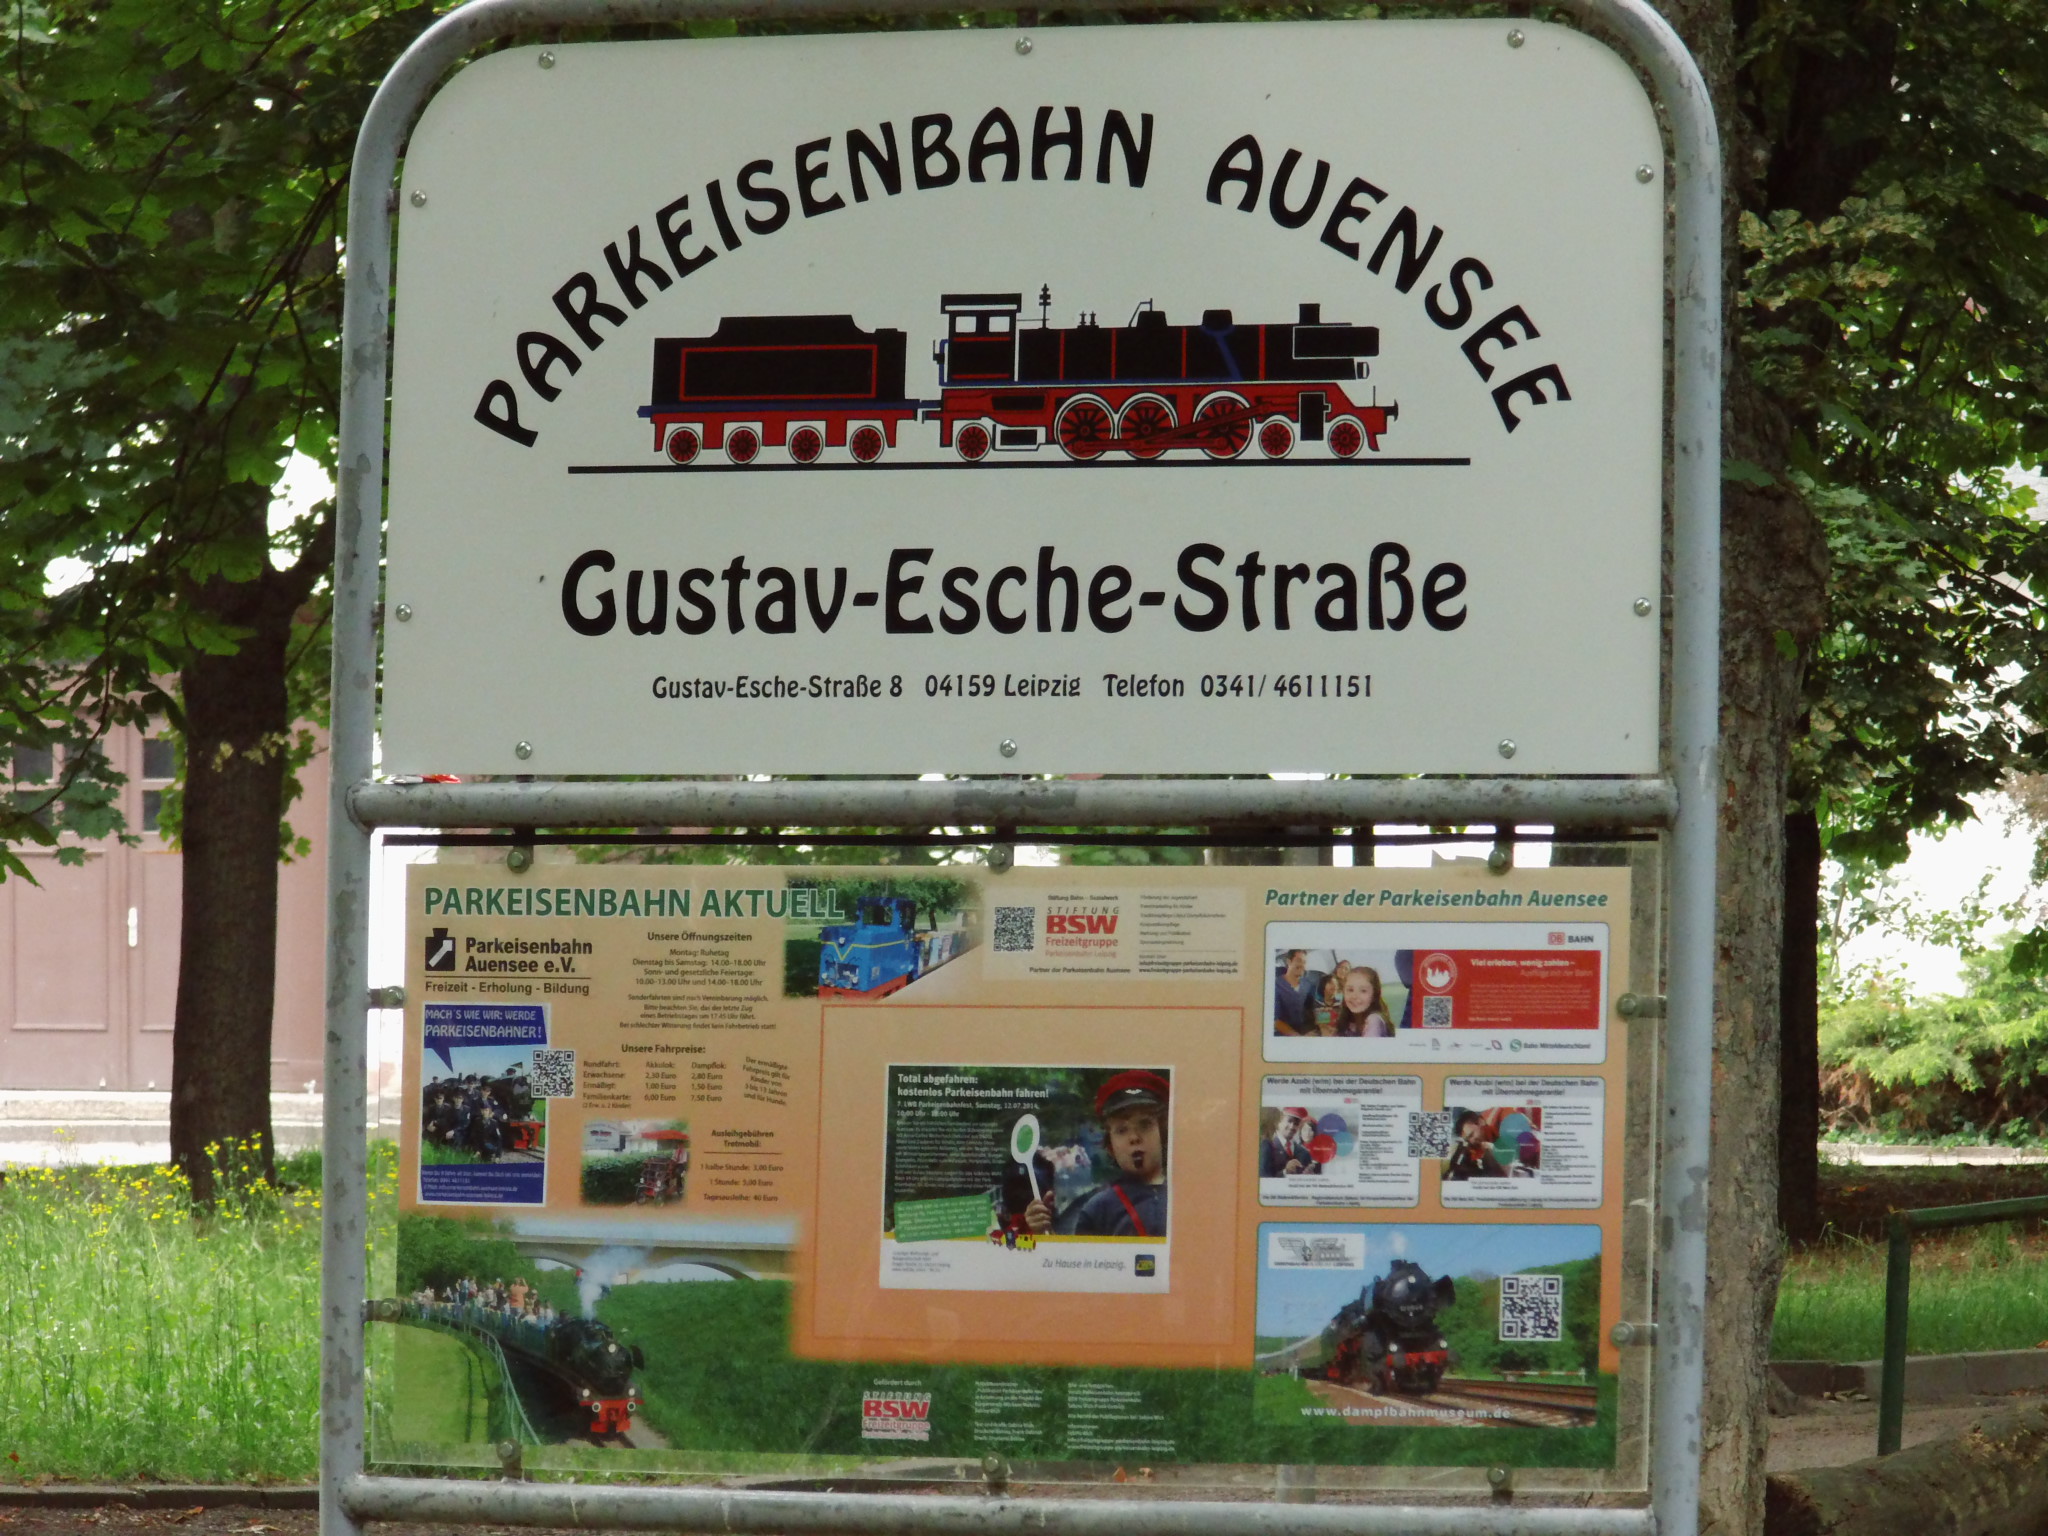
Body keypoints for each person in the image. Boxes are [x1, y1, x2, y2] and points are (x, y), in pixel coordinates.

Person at [1025, 1070, 1169, 1238]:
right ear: (1110, 1146)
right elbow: (1078, 1255)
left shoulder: (1187, 1193)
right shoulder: (1098, 1209)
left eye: (1145, 1125)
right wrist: (1043, 1233)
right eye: (1122, 1130)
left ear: (1164, 1134)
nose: (1134, 1137)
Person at [1332, 966, 1394, 1038]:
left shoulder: (1374, 1019)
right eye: (1350, 990)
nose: (1354, 996)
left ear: (1374, 995)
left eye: (1363, 991)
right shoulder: (1347, 1020)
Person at [1443, 1109, 1506, 1180]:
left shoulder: (1502, 1124)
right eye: (1468, 1139)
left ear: (1480, 1122)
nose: (1472, 1141)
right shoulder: (1473, 1144)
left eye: (1471, 1134)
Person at [1260, 1106, 1318, 1177]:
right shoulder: (1266, 1146)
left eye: (1296, 1123)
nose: (1292, 1126)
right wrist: (1285, 1172)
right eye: (1289, 1121)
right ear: (1279, 1121)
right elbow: (1263, 1179)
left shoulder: (1304, 1153)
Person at [1273, 951, 1318, 1035]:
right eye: (1299, 960)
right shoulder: (1276, 986)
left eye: (1304, 962)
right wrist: (1299, 1038)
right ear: (1289, 962)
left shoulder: (1308, 984)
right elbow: (1275, 1020)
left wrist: (1324, 1025)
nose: (1302, 965)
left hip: (1306, 1031)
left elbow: (1316, 1007)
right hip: (1285, 1036)